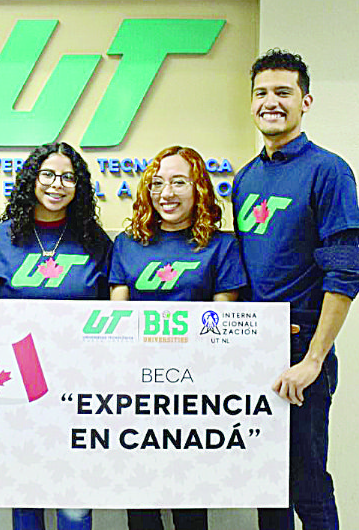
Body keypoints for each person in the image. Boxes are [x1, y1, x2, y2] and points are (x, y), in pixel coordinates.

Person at [233, 50, 359, 530]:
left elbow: (344, 271)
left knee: (307, 485)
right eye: (262, 93)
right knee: (266, 487)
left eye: (283, 92)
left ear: (305, 101)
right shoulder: (245, 179)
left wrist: (313, 359)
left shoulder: (328, 171)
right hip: (253, 347)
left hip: (300, 348)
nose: (271, 102)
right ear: (251, 104)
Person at [109, 146, 247, 530]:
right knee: (140, 504)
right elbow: (118, 323)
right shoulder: (127, 244)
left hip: (196, 393)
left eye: (178, 182)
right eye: (157, 183)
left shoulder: (221, 246)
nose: (166, 193)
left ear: (199, 188)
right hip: (136, 393)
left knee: (190, 506)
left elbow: (224, 327)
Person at [0, 142, 111, 530]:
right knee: (25, 499)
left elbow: (114, 315)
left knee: (75, 505)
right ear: (31, 180)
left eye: (68, 177)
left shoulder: (96, 242)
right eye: (48, 174)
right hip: (17, 393)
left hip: (79, 391)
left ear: (80, 186)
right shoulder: (1, 239)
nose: (58, 184)